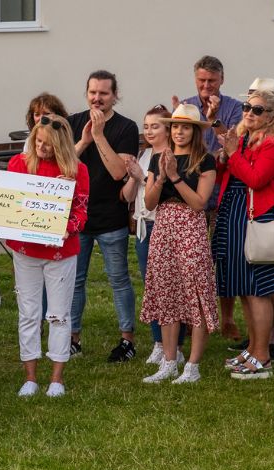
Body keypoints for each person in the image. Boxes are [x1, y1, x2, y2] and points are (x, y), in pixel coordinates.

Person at [213, 90, 274, 379]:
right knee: (245, 290)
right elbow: (229, 172)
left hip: (257, 219)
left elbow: (256, 179)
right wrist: (227, 153)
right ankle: (253, 348)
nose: (249, 113)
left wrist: (233, 154)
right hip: (237, 215)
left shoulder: (272, 145)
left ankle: (263, 357)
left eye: (257, 110)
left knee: (257, 290)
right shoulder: (245, 139)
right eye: (247, 107)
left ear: (271, 116)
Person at [7, 115, 88, 398]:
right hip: (26, 249)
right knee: (28, 313)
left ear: (61, 145)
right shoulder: (19, 163)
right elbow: (8, 200)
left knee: (59, 315)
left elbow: (81, 211)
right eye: (38, 141)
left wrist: (67, 228)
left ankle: (57, 378)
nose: (41, 147)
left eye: (48, 144)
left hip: (60, 252)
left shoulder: (77, 170)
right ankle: (30, 377)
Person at [138, 104, 218, 384]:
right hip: (163, 227)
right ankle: (169, 361)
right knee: (167, 292)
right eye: (175, 126)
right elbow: (148, 202)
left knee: (196, 293)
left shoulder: (205, 160)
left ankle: (192, 366)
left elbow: (199, 203)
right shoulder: (158, 157)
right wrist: (160, 177)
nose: (179, 131)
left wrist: (174, 176)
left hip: (191, 228)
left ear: (195, 131)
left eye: (185, 127)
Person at [68, 70, 139, 361]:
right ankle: (72, 339)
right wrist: (84, 141)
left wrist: (98, 135)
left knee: (119, 279)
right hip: (77, 217)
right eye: (93, 92)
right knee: (75, 281)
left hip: (111, 217)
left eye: (104, 93)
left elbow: (118, 172)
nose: (97, 98)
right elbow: (63, 164)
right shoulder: (73, 122)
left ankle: (127, 341)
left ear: (115, 95)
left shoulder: (126, 127)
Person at [122, 105, 175, 366]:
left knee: (169, 287)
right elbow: (128, 197)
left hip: (164, 226)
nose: (149, 131)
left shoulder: (171, 155)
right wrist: (133, 177)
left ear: (168, 128)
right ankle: (158, 342)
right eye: (146, 126)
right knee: (151, 287)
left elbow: (164, 194)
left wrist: (142, 177)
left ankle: (174, 345)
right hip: (143, 226)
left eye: (155, 126)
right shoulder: (144, 154)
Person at [172, 56, 243, 154]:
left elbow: (233, 144)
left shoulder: (236, 107)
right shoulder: (183, 106)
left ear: (222, 79)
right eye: (202, 80)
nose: (206, 85)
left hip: (224, 167)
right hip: (191, 166)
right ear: (195, 80)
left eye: (211, 80)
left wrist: (213, 120)